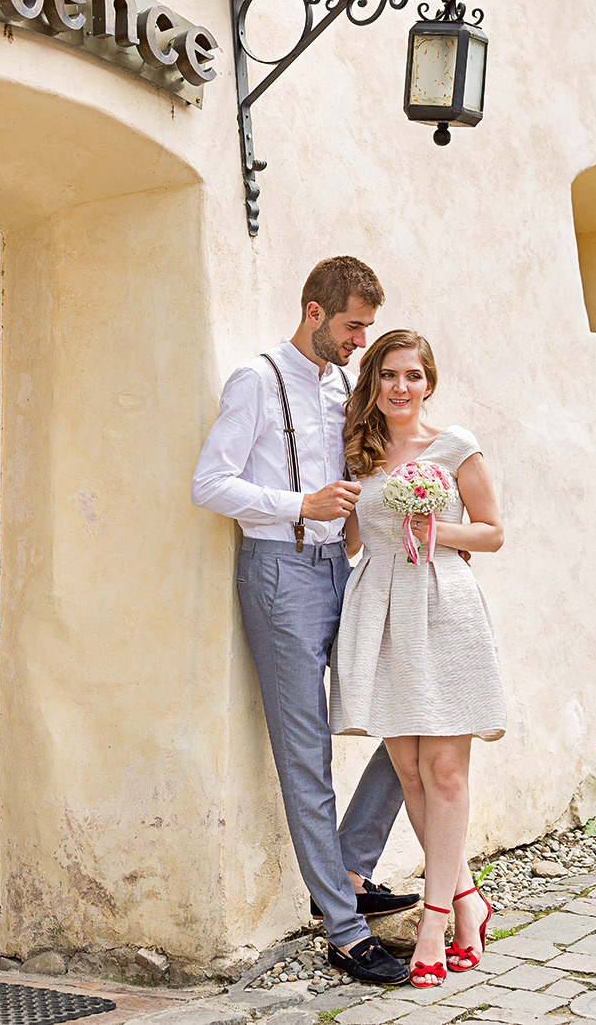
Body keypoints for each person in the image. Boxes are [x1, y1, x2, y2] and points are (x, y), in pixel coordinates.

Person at [191, 259, 419, 986]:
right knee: (306, 754)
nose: (360, 342)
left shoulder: (343, 389)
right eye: (352, 326)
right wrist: (301, 506)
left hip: (340, 572)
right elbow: (209, 483)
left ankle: (348, 866)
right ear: (314, 313)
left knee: (412, 713)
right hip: (278, 574)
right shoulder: (256, 380)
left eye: (366, 329)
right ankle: (345, 933)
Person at [329, 329, 507, 989]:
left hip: (443, 607)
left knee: (445, 772)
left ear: (429, 383)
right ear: (374, 383)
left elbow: (492, 532)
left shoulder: (455, 445)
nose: (400, 386)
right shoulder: (361, 453)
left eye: (412, 375)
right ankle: (468, 900)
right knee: (408, 770)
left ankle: (434, 923)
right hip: (382, 614)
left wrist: (436, 530)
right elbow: (352, 542)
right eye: (388, 375)